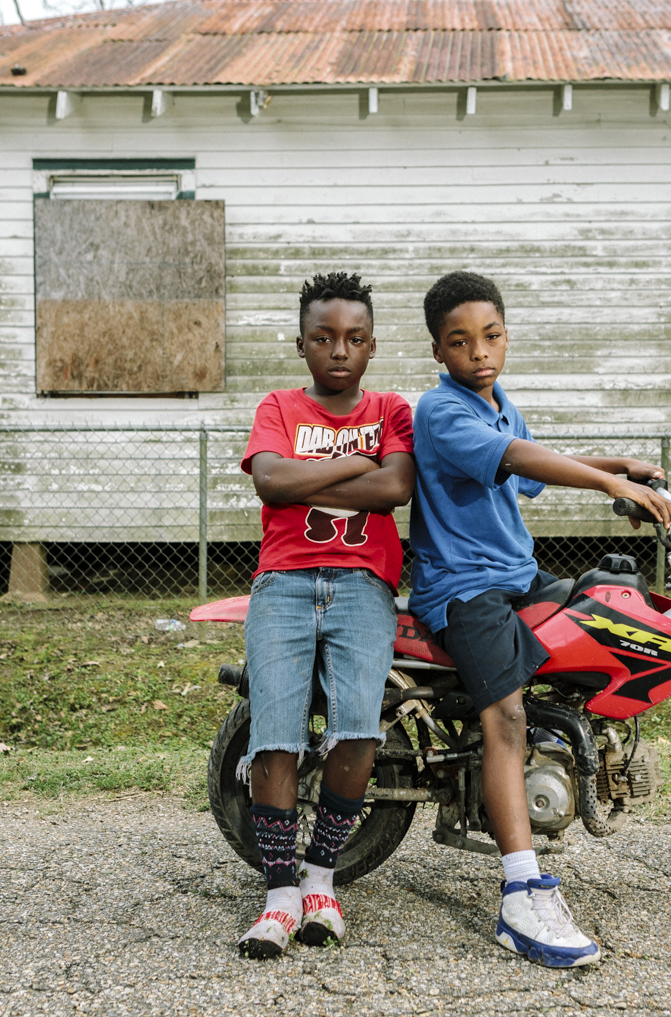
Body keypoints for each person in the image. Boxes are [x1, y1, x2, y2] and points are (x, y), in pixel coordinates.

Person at [406, 270, 671, 969]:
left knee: (610, 612)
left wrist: (619, 464)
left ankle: (569, 752)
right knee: (507, 717)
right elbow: (519, 459)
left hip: (517, 576)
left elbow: (532, 465)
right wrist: (611, 482)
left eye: (491, 336)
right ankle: (521, 890)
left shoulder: (496, 402)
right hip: (464, 589)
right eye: (461, 342)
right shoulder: (441, 411)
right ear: (439, 351)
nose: (479, 352)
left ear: (505, 336)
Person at [235, 271, 416, 958]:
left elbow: (395, 486)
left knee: (357, 732)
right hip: (282, 582)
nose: (339, 350)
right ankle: (279, 895)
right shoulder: (279, 404)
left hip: (363, 583)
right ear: (302, 343)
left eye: (354, 338)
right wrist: (352, 462)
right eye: (323, 337)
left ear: (371, 345)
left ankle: (321, 879)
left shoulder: (392, 408)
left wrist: (331, 471)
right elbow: (271, 480)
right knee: (274, 737)